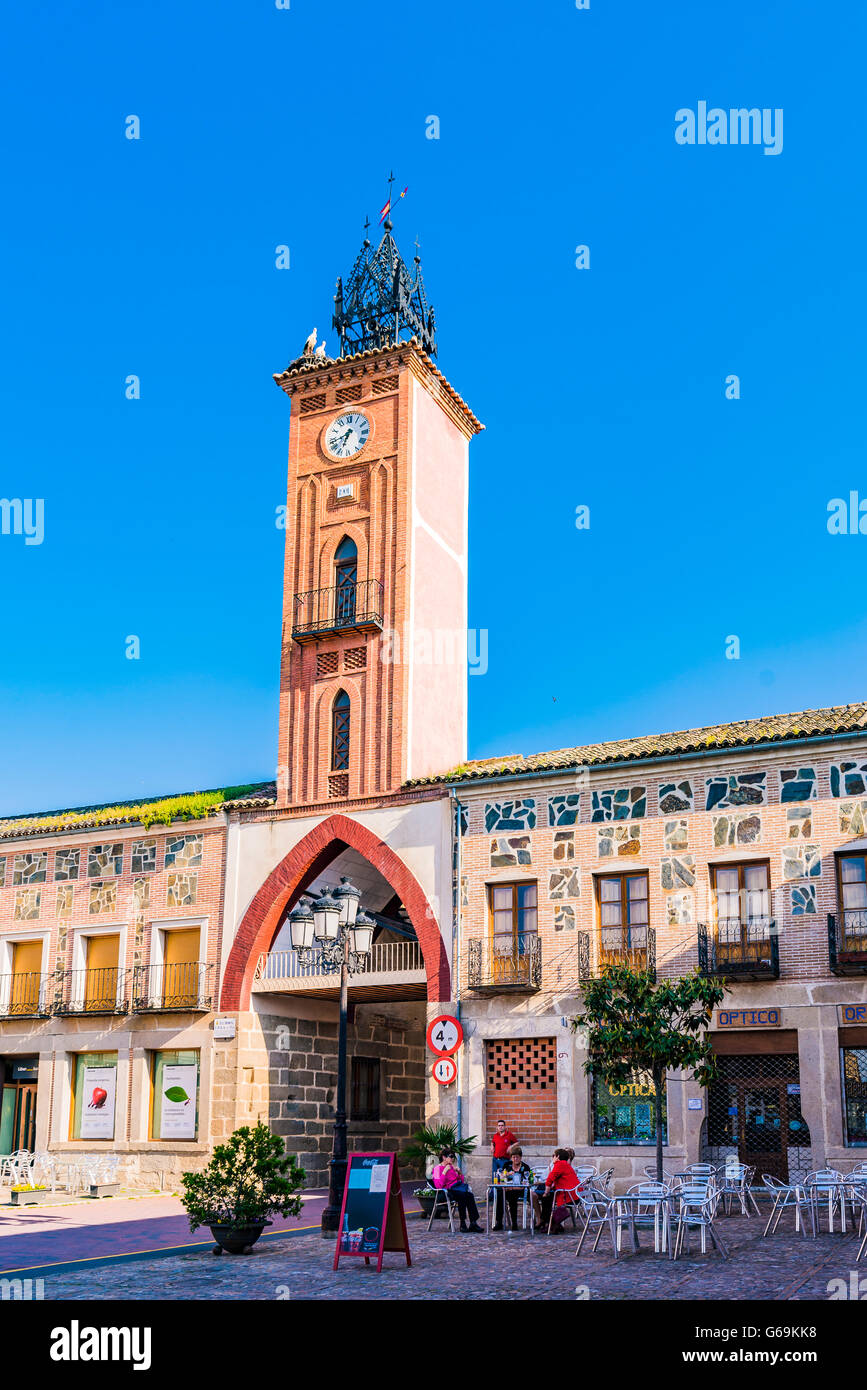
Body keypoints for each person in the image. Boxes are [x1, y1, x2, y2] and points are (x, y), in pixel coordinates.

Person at [431, 1150, 483, 1232]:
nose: (452, 1159)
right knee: (462, 1195)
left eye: (453, 1157)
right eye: (451, 1156)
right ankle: (462, 1223)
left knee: (469, 1195)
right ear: (444, 1157)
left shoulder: (451, 1167)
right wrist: (444, 1172)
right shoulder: (437, 1169)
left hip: (456, 1189)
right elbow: (438, 1186)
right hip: (446, 1191)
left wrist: (459, 1173)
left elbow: (460, 1181)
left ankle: (473, 1222)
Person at [532, 1148, 581, 1233]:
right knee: (547, 1199)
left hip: (569, 1196)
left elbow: (549, 1179)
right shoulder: (565, 1165)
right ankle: (552, 1224)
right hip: (573, 1194)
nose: (552, 1158)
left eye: (553, 1156)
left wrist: (546, 1192)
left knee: (546, 1198)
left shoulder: (560, 1164)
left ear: (557, 1156)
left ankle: (550, 1223)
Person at [492, 1145, 534, 1232]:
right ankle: (499, 1222)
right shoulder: (507, 1165)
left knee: (512, 1196)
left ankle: (514, 1223)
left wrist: (513, 1187)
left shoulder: (525, 1167)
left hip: (520, 1190)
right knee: (500, 1194)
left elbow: (526, 1183)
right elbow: (502, 1179)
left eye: (517, 1157)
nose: (515, 1159)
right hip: (508, 1189)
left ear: (521, 1157)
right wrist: (505, 1175)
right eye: (513, 1157)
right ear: (511, 1158)